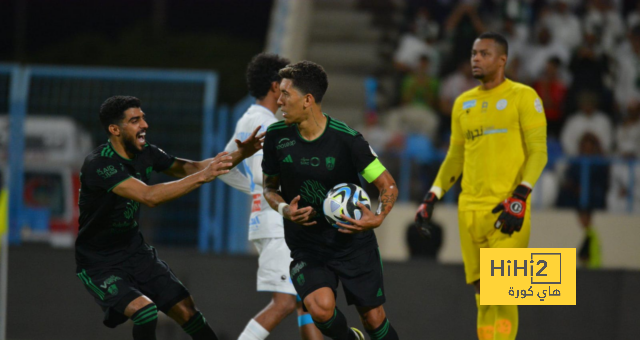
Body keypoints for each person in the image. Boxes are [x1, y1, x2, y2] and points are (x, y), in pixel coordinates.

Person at [75, 95, 264, 340]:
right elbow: (149, 195)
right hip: (99, 263)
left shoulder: (147, 153)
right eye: (135, 120)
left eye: (143, 117)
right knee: (145, 312)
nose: (144, 124)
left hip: (135, 253)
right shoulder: (99, 165)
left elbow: (196, 168)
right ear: (114, 129)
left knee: (187, 311)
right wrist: (202, 177)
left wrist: (241, 153)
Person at [414, 32, 548, 340]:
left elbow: (539, 151)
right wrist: (432, 196)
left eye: (484, 54)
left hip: (507, 207)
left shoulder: (523, 96)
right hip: (469, 210)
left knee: (504, 288)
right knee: (483, 292)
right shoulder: (463, 103)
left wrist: (521, 195)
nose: (476, 58)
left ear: (502, 59)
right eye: (474, 53)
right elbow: (455, 156)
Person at [262, 61, 400, 340]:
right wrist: (284, 209)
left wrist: (379, 215)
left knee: (374, 318)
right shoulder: (276, 137)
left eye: (286, 94)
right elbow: (269, 187)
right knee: (320, 309)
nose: (278, 101)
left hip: (352, 244)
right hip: (307, 246)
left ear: (307, 100)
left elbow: (387, 185)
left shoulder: (348, 141)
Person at [217, 53, 322, 340]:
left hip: (270, 221)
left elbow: (223, 167)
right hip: (278, 225)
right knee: (286, 302)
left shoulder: (249, 119)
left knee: (306, 298)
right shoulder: (264, 124)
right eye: (288, 84)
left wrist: (254, 191)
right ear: (276, 86)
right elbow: (268, 175)